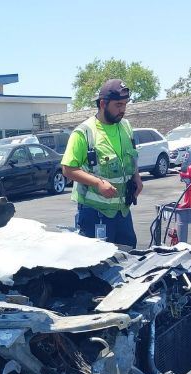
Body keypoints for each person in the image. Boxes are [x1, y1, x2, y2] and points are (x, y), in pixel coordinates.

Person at [61, 79, 142, 248]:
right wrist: (98, 183)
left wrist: (137, 176)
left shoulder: (125, 126)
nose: (123, 110)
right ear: (103, 104)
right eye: (118, 105)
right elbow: (68, 169)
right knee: (97, 267)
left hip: (122, 211)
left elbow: (131, 156)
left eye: (125, 105)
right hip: (94, 213)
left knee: (129, 258)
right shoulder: (84, 132)